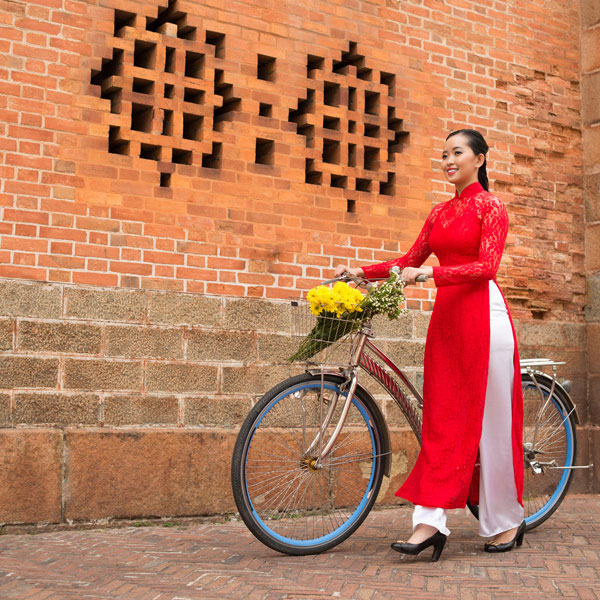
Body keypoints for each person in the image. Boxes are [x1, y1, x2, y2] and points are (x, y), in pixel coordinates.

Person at [334, 129, 525, 561]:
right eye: (443, 154)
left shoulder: (491, 206)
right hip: (448, 322)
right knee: (442, 420)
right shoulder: (440, 212)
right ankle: (429, 524)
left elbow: (486, 267)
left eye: (457, 153)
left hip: (485, 318)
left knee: (491, 426)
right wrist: (364, 272)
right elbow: (409, 261)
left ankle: (506, 520)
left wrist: (432, 277)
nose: (448, 160)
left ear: (479, 159)